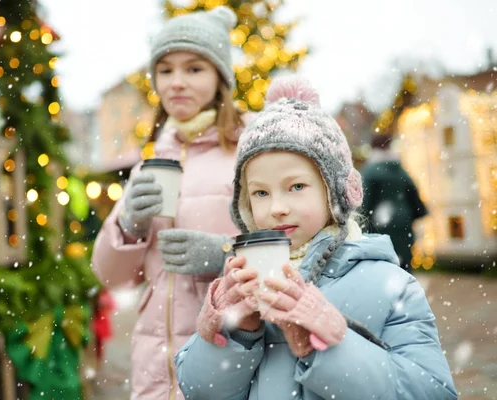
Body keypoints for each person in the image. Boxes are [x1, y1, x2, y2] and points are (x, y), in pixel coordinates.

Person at [174, 75, 457, 399]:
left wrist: (328, 346)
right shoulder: (239, 282)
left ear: (336, 191)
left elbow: (432, 392)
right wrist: (236, 332)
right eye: (261, 192)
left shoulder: (390, 286)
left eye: (296, 186)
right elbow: (199, 390)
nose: (277, 208)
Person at [91, 6, 246, 399]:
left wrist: (225, 256)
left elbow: (294, 251)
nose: (177, 82)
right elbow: (111, 277)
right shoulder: (152, 160)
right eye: (165, 69)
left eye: (194, 69)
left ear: (219, 77)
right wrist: (129, 225)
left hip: (229, 356)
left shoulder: (251, 151)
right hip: (154, 369)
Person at [361, 133, 428, 272]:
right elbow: (416, 202)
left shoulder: (369, 172)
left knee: (383, 270)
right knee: (404, 269)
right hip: (404, 227)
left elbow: (363, 205)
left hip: (379, 228)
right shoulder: (401, 171)